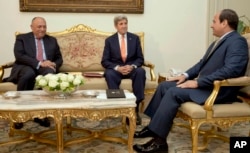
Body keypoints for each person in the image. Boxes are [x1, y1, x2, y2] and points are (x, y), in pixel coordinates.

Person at [133, 9, 249, 153]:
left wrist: (198, 82)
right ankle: (153, 128)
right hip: (207, 86)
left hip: (218, 91)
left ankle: (159, 143)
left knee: (174, 92)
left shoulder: (237, 41)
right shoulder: (217, 42)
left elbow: (231, 70)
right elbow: (201, 64)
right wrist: (185, 75)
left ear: (224, 23)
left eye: (214, 21)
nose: (212, 25)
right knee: (164, 86)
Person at [5, 17, 63, 129]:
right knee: (29, 74)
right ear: (31, 27)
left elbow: (59, 58)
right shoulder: (22, 38)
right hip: (25, 66)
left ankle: (41, 114)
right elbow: (20, 56)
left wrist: (53, 64)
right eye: (39, 26)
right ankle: (19, 114)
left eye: (44, 26)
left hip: (45, 66)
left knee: (49, 74)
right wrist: (39, 63)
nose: (42, 29)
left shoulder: (52, 40)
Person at [101, 14, 146, 125]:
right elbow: (105, 61)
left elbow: (140, 59)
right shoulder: (109, 40)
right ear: (116, 26)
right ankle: (121, 108)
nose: (124, 26)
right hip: (117, 70)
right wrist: (118, 68)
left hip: (131, 69)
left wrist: (132, 66)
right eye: (121, 24)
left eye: (125, 23)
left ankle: (135, 109)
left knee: (141, 71)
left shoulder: (134, 38)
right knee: (109, 73)